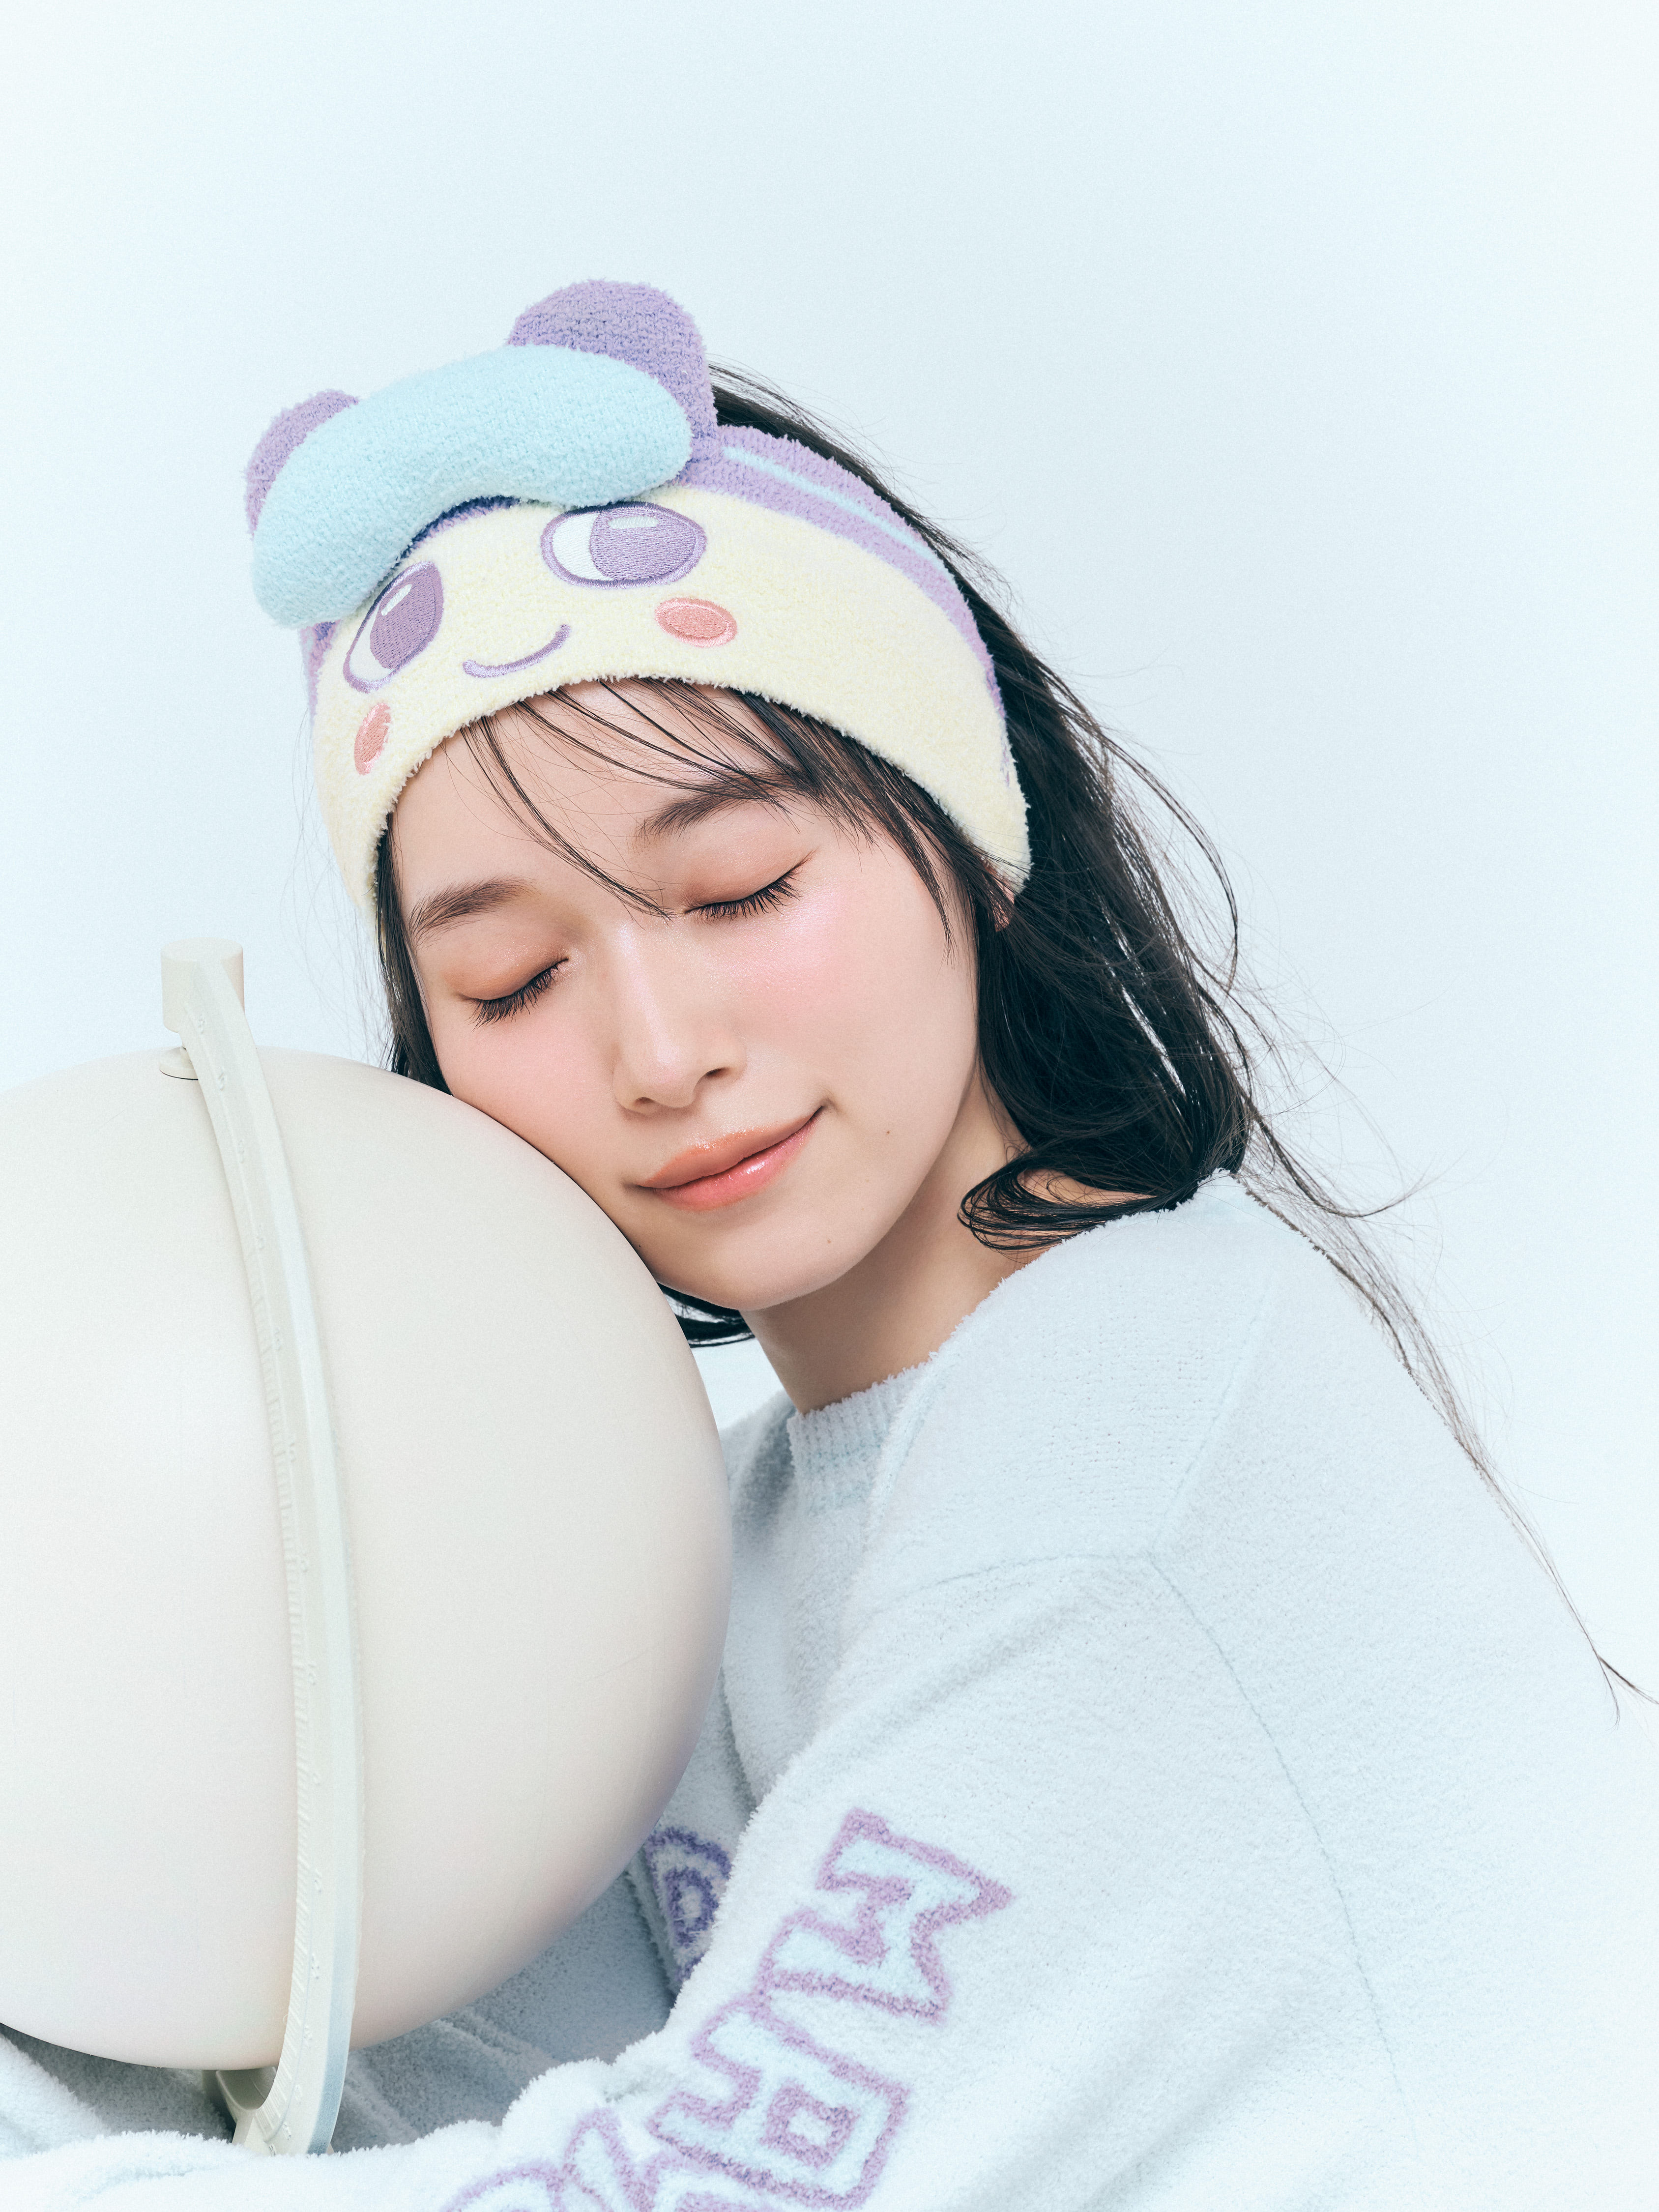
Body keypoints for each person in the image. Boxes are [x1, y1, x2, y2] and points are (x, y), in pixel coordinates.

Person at [3, 281, 1655, 2209]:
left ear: (967, 828)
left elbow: (701, 2184)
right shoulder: (717, 1541)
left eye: (741, 886)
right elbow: (342, 2045)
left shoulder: (1130, 1421)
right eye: (513, 977)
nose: (660, 1051)